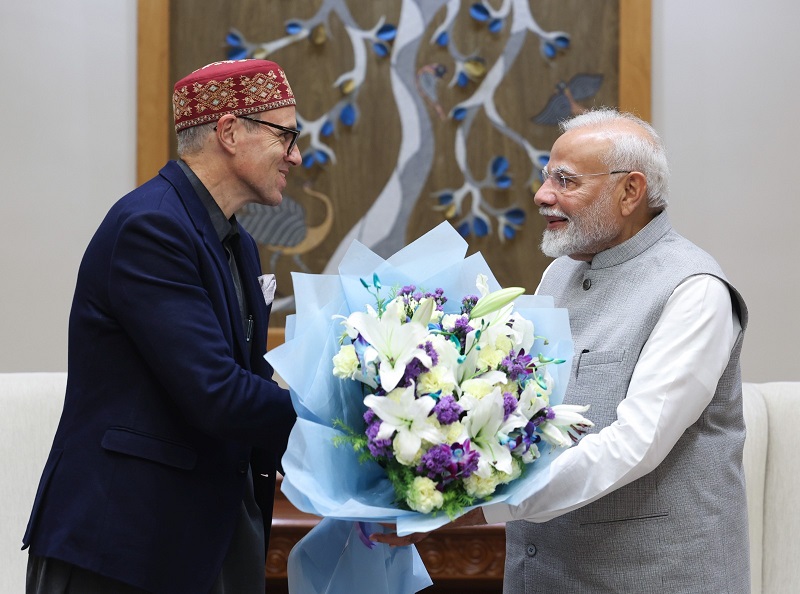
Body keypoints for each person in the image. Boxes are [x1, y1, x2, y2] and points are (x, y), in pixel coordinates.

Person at [373, 108, 750, 592]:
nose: (542, 194)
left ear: (630, 191)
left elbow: (633, 445)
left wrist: (470, 505)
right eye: (547, 175)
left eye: (566, 180)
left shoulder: (697, 291)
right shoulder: (561, 274)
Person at [22, 59, 302, 594]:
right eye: (284, 133)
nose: (296, 154)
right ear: (229, 131)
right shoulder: (150, 227)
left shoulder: (237, 242)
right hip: (123, 550)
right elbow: (217, 392)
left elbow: (247, 383)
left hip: (201, 540)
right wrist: (352, 422)